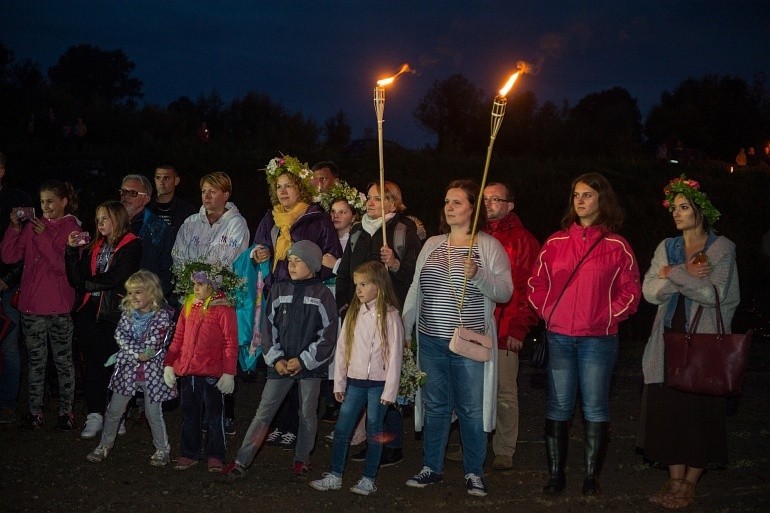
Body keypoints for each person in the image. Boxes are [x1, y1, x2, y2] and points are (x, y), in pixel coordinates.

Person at [527, 172, 641, 496]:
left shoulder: (617, 245)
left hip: (598, 339)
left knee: (595, 406)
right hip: (559, 337)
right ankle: (555, 475)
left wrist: (606, 317)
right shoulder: (556, 242)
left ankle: (591, 477)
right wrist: (549, 313)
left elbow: (631, 290)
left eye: (588, 195)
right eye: (576, 194)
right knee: (559, 405)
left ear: (602, 200)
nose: (580, 200)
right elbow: (537, 284)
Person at [402, 179, 512, 497]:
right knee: (436, 405)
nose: (450, 208)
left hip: (469, 341)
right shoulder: (433, 244)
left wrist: (478, 275)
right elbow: (415, 290)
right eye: (447, 202)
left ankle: (474, 471)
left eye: (458, 202)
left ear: (472, 209)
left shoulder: (488, 246)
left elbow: (504, 291)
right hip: (431, 340)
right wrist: (406, 329)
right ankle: (431, 467)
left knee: (471, 408)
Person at [639, 176, 738, 510]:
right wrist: (682, 272)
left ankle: (690, 484)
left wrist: (671, 275)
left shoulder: (721, 248)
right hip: (667, 341)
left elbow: (714, 293)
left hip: (704, 342)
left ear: (700, 211)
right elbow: (650, 291)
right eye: (673, 209)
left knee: (698, 412)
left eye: (684, 208)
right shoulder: (666, 247)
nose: (677, 214)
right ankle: (674, 479)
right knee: (669, 411)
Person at [223, 241, 338, 480]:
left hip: (309, 367)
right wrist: (275, 358)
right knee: (264, 412)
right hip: (280, 364)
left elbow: (328, 335)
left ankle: (302, 460)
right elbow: (268, 328)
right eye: (290, 261)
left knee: (307, 413)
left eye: (299, 261)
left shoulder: (323, 294)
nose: (292, 265)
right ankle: (241, 461)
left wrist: (304, 361)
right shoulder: (279, 289)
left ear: (313, 266)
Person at [252, 156, 341, 449]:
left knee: (300, 360)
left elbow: (332, 256)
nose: (283, 191)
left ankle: (294, 428)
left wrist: (317, 276)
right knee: (278, 358)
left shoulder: (316, 217)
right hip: (278, 295)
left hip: (308, 298)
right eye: (279, 187)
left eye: (289, 186)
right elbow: (259, 245)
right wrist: (259, 254)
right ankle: (278, 425)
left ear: (301, 188)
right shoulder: (271, 218)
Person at [336, 180, 422, 467]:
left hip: (389, 315)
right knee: (361, 375)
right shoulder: (359, 231)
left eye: (379, 198)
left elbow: (415, 273)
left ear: (394, 203)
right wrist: (343, 305)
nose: (371, 202)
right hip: (358, 315)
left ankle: (392, 443)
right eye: (369, 198)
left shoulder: (402, 229)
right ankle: (370, 439)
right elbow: (346, 271)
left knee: (389, 375)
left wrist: (395, 264)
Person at [310, 261, 404, 496]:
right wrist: (339, 382)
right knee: (342, 429)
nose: (358, 290)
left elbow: (396, 356)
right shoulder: (354, 312)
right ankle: (335, 474)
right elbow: (342, 349)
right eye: (356, 285)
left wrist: (389, 391)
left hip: (378, 385)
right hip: (355, 382)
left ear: (379, 285)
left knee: (374, 430)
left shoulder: (391, 316)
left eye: (363, 284)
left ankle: (368, 478)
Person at [171, 171, 249, 437]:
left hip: (220, 302)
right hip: (192, 300)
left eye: (213, 191)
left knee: (219, 355)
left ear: (226, 195)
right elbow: (179, 255)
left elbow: (228, 260)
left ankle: (224, 414)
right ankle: (194, 414)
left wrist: (210, 285)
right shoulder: (191, 223)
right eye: (204, 190)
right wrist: (190, 284)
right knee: (193, 350)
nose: (207, 195)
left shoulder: (236, 224)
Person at [1, 180, 80, 430]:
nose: (45, 206)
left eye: (50, 201)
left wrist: (43, 237)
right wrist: (14, 229)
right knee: (36, 361)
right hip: (31, 307)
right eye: (42, 201)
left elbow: (63, 267)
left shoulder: (72, 228)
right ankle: (35, 412)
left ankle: (66, 412)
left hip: (58, 306)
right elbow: (9, 256)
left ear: (63, 201)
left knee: (63, 361)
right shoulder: (33, 226)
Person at [65, 201, 142, 439]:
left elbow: (117, 277)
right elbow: (75, 276)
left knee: (116, 366)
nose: (100, 223)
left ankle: (115, 414)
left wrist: (86, 284)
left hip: (115, 313)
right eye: (98, 219)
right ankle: (95, 414)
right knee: (93, 364)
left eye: (105, 218)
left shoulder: (132, 244)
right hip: (89, 312)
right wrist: (69, 251)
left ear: (118, 219)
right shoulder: (92, 247)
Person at [86, 271, 176, 465]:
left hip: (152, 375)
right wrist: (138, 352)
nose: (132, 297)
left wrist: (138, 351)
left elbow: (155, 343)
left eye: (138, 292)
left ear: (152, 293)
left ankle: (162, 449)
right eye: (130, 292)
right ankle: (105, 445)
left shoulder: (162, 317)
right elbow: (120, 335)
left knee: (154, 414)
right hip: (127, 372)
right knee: (113, 411)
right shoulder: (127, 313)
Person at [482, 182, 540, 470]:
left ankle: (504, 449)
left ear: (510, 204)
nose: (489, 203)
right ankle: (474, 443)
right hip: (475, 326)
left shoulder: (522, 240)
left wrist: (520, 327)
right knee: (474, 389)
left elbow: (529, 287)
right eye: (485, 199)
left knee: (504, 391)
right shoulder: (475, 236)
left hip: (505, 327)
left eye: (496, 199)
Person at [163, 262, 239, 472]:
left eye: (200, 284)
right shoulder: (188, 305)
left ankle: (216, 454)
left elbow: (230, 343)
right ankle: (189, 452)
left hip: (212, 373)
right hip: (189, 372)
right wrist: (169, 363)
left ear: (213, 285)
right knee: (190, 414)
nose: (195, 288)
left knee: (215, 415)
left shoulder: (224, 309)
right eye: (193, 284)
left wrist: (229, 372)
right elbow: (178, 336)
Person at [0, 151, 34, 425]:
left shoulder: (18, 202)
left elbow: (27, 250)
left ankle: (8, 402)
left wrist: (8, 280)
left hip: (8, 285)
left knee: (10, 344)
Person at [120, 174, 174, 297]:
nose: (126, 196)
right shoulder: (110, 222)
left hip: (144, 300)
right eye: (123, 192)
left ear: (146, 199)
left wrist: (152, 298)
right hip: (110, 302)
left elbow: (167, 271)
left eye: (133, 193)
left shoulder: (159, 228)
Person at [148, 165, 196, 237]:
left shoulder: (186, 210)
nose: (161, 182)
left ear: (176, 181)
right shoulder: (146, 206)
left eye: (166, 178)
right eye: (158, 178)